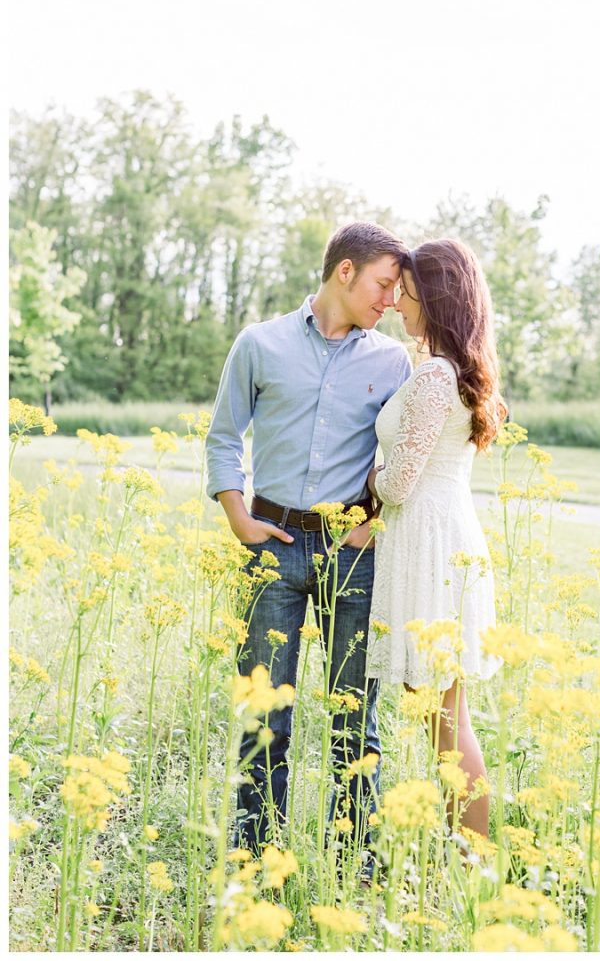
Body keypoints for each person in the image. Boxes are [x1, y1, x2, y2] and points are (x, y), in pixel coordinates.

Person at [207, 222, 413, 858]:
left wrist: (372, 519)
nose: (390, 302)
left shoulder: (393, 360)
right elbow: (223, 436)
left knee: (356, 714)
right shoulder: (259, 344)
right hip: (271, 544)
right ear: (344, 272)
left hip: (352, 556)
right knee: (264, 711)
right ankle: (257, 849)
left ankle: (350, 857)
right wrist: (237, 516)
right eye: (383, 285)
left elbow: (404, 453)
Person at [364, 238, 505, 842]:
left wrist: (364, 480)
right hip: (446, 536)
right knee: (447, 715)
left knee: (444, 717)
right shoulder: (459, 373)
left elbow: (398, 483)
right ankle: (469, 852)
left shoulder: (432, 377)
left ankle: (472, 855)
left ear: (437, 297)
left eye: (409, 292)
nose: (397, 304)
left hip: (430, 543)